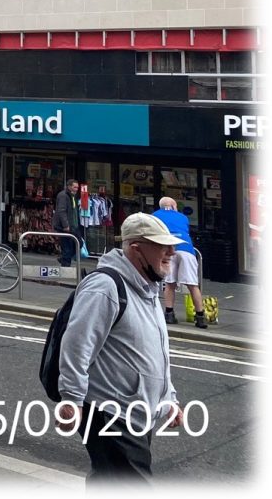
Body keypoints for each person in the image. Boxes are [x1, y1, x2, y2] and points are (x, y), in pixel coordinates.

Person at [56, 212, 184, 482]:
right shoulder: (105, 286)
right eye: (162, 245)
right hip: (111, 413)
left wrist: (167, 398)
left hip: (136, 413)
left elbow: (155, 352)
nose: (171, 251)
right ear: (137, 249)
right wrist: (72, 400)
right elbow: (77, 345)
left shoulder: (147, 287)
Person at [154, 196, 207, 328]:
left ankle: (169, 314)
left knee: (170, 283)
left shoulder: (155, 215)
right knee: (193, 285)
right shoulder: (183, 217)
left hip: (168, 248)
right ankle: (200, 317)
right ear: (173, 206)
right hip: (186, 249)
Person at [53, 179, 83, 267]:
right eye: (74, 187)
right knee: (67, 246)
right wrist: (65, 225)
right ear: (69, 186)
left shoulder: (72, 196)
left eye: (77, 187)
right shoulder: (63, 195)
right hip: (65, 226)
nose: (76, 189)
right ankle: (65, 264)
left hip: (73, 225)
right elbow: (61, 211)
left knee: (79, 243)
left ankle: (64, 259)